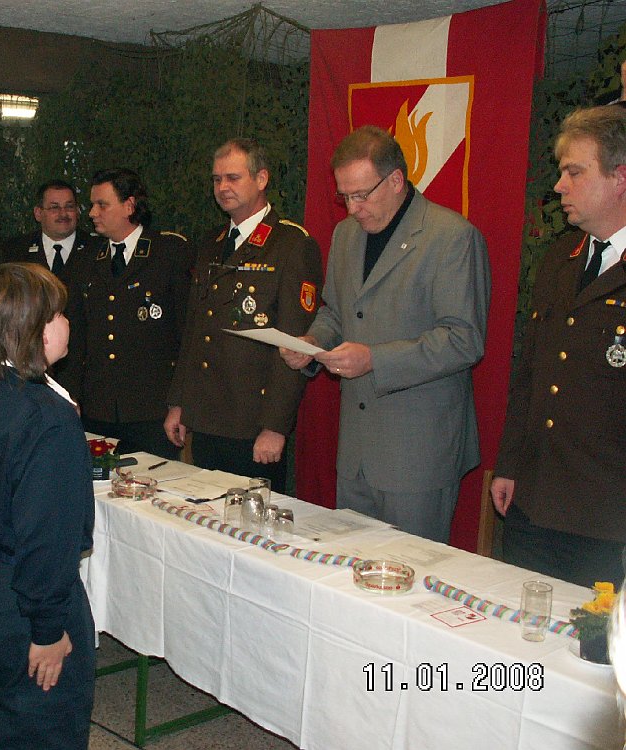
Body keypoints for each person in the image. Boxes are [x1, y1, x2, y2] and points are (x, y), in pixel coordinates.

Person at [280, 125, 490, 543]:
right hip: (356, 452)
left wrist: (374, 359)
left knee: (409, 572)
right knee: (351, 568)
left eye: (361, 194)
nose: (353, 208)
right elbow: (335, 312)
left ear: (396, 180)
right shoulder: (345, 235)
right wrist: (313, 343)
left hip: (418, 454)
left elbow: (463, 340)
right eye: (344, 197)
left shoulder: (451, 237)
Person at [0, 263, 95, 750]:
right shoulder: (47, 418)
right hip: (25, 598)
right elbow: (47, 536)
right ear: (32, 329)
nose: (66, 323)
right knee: (44, 725)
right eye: (58, 314)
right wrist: (48, 629)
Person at [491, 106, 626, 586]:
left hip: (606, 518)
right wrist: (508, 464)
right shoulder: (558, 260)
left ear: (619, 178)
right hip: (535, 502)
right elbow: (530, 375)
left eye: (575, 172)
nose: (559, 185)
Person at [166, 138, 323, 490]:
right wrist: (180, 403)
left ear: (261, 179)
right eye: (217, 179)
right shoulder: (211, 242)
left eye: (233, 178)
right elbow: (195, 332)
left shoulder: (291, 245)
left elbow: (294, 345)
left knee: (252, 521)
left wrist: (275, 426)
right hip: (207, 417)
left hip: (253, 423)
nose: (222, 187)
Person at [62, 167, 195, 457]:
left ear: (129, 206)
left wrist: (179, 403)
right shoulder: (86, 259)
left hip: (152, 410)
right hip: (98, 407)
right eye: (92, 205)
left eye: (102, 205)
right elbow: (75, 336)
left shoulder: (168, 253)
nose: (92, 213)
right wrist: (70, 396)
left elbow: (187, 337)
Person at [0, 179, 90, 282]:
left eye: (69, 207)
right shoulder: (15, 251)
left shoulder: (95, 249)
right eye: (55, 207)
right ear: (38, 213)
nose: (63, 214)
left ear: (77, 211)